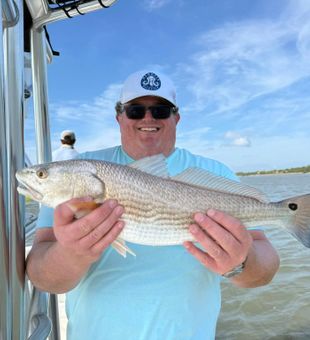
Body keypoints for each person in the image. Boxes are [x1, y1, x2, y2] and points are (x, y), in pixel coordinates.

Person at [26, 70, 280, 340]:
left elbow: (265, 270)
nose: (148, 118)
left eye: (160, 110)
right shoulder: (81, 169)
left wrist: (241, 262)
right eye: (135, 110)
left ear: (176, 118)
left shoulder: (216, 172)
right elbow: (42, 278)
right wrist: (71, 253)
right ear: (119, 117)